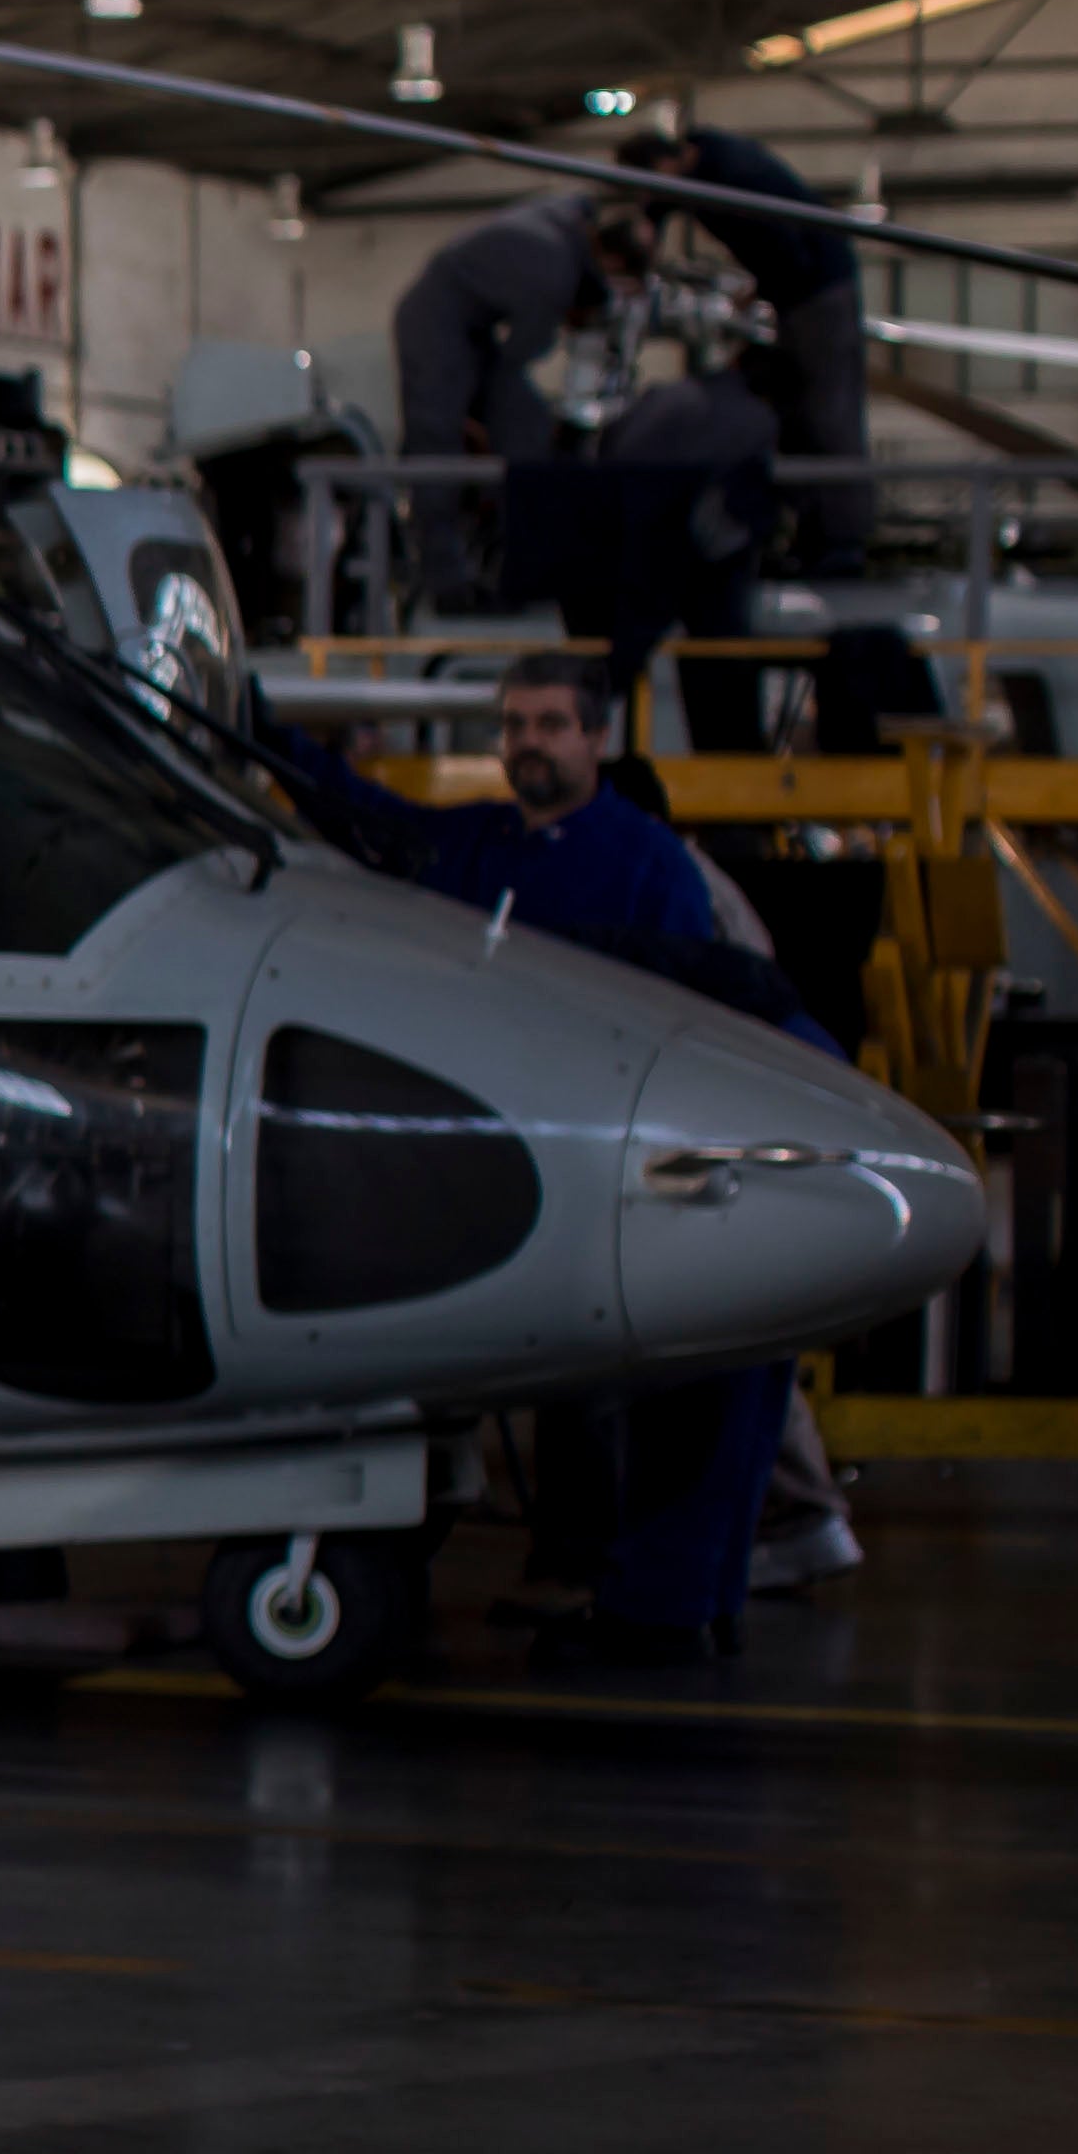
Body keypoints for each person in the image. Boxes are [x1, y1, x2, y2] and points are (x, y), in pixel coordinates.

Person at [365, 650, 797, 1666]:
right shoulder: (531, 853)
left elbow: (688, 1015)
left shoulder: (656, 880)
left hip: (687, 1130)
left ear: (597, 745)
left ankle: (646, 1592)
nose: (527, 744)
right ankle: (685, 1592)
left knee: (656, 1378)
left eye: (549, 725)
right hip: (653, 1129)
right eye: (515, 725)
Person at [386, 187, 659, 607]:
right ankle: (448, 583)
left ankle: (527, 566)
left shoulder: (568, 221)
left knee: (526, 427)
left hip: (474, 328)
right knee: (437, 446)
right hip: (436, 322)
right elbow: (522, 355)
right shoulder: (554, 269)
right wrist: (475, 415)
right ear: (611, 263)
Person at [620, 119, 869, 565]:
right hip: (796, 291)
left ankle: (843, 542)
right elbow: (658, 209)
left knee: (826, 414)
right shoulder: (696, 169)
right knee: (798, 413)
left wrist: (767, 288)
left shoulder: (734, 176)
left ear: (665, 165)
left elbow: (788, 249)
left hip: (817, 290)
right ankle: (813, 532)